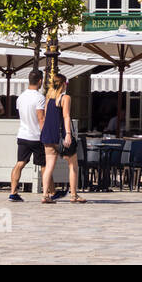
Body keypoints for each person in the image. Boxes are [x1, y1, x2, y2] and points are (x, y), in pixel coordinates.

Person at [39, 73, 86, 205]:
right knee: (73, 165)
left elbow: (47, 117)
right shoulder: (65, 98)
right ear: (64, 84)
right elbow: (66, 116)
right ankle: (74, 195)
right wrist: (68, 134)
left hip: (48, 135)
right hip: (61, 136)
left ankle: (45, 195)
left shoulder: (48, 98)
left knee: (49, 167)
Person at [9, 70, 47, 203]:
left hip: (23, 134)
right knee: (44, 165)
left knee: (20, 163)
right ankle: (47, 193)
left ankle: (13, 192)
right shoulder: (40, 97)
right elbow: (41, 118)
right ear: (40, 81)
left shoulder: (21, 97)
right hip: (36, 136)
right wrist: (46, 135)